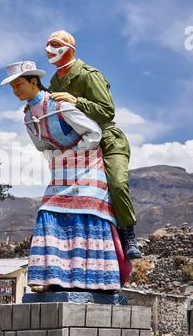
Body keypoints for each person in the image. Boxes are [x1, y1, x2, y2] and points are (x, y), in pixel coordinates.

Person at [0, 61, 131, 293]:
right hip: (62, 170)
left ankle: (98, 279)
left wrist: (72, 153)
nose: (15, 91)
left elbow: (94, 132)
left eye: (18, 84)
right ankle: (52, 277)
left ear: (34, 82)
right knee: (48, 211)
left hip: (88, 166)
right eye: (12, 87)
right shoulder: (29, 116)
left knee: (86, 210)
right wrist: (55, 156)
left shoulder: (59, 106)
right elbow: (41, 145)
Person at [45, 30, 142, 260]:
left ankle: (128, 234)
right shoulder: (55, 81)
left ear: (69, 48)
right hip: (79, 146)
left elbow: (107, 111)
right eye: (47, 45)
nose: (49, 50)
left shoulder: (89, 75)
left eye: (55, 44)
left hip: (107, 139)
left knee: (117, 183)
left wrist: (76, 101)